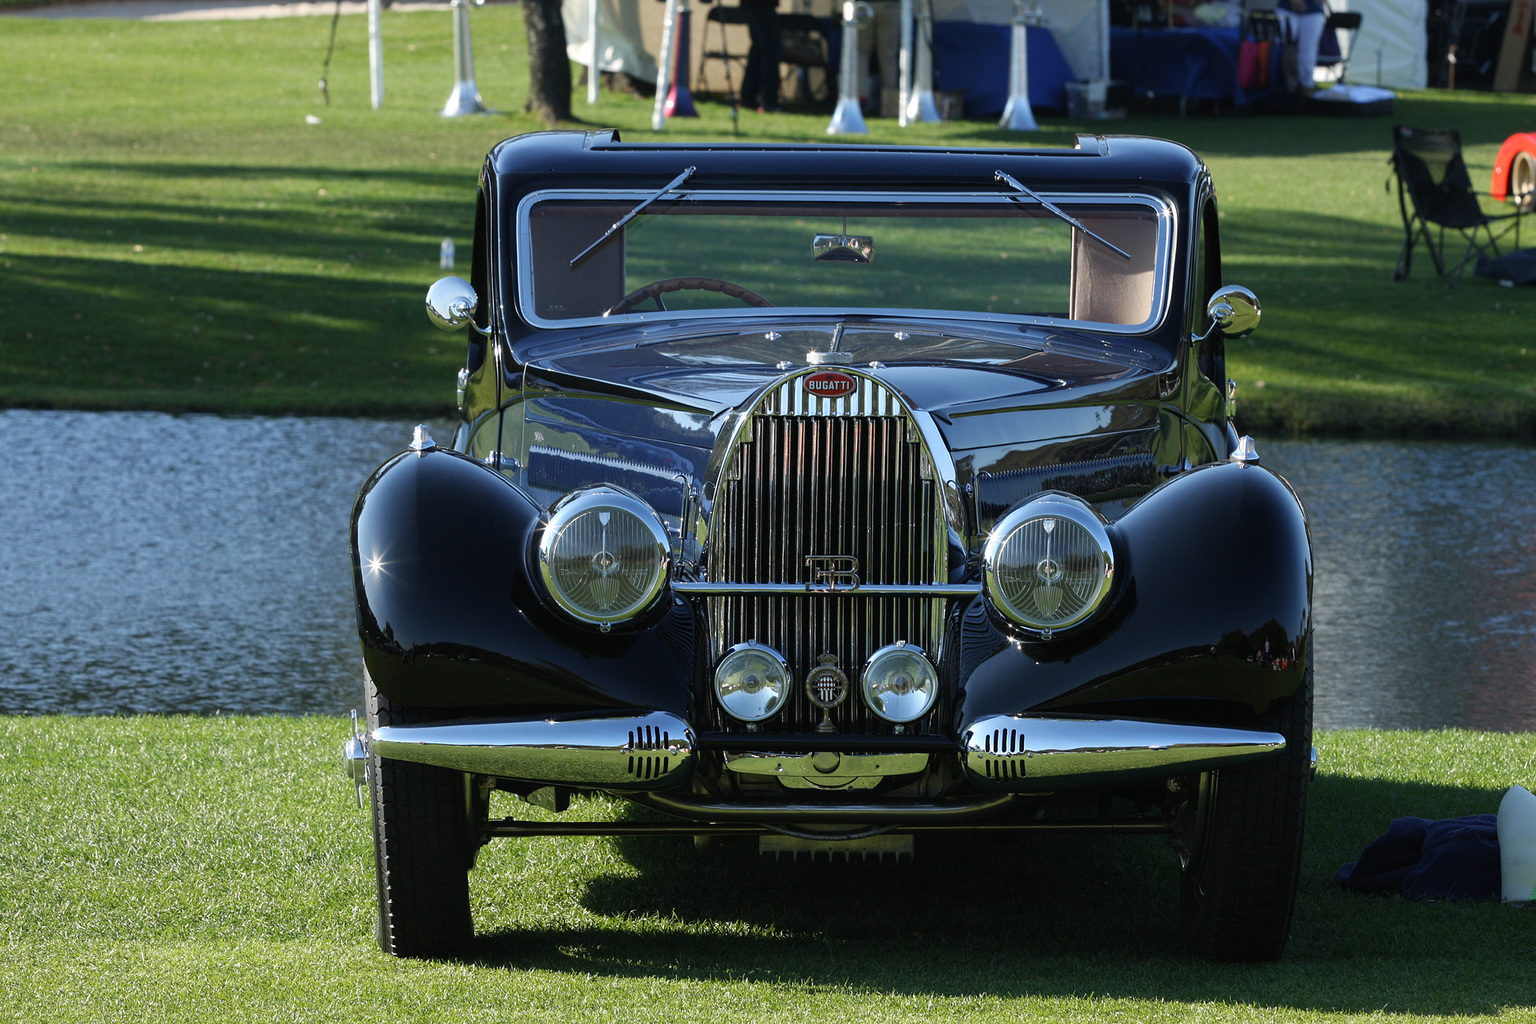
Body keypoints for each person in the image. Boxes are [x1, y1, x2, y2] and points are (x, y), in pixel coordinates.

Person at [738, 0, 782, 112]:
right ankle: (768, 101)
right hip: (762, 7)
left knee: (757, 53)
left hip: (754, 7)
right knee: (769, 53)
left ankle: (748, 98)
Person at [1275, 0, 1326, 97]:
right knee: (1281, 52)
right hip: (1286, 10)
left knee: (1307, 57)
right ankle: (1282, 91)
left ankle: (1305, 93)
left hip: (1313, 11)